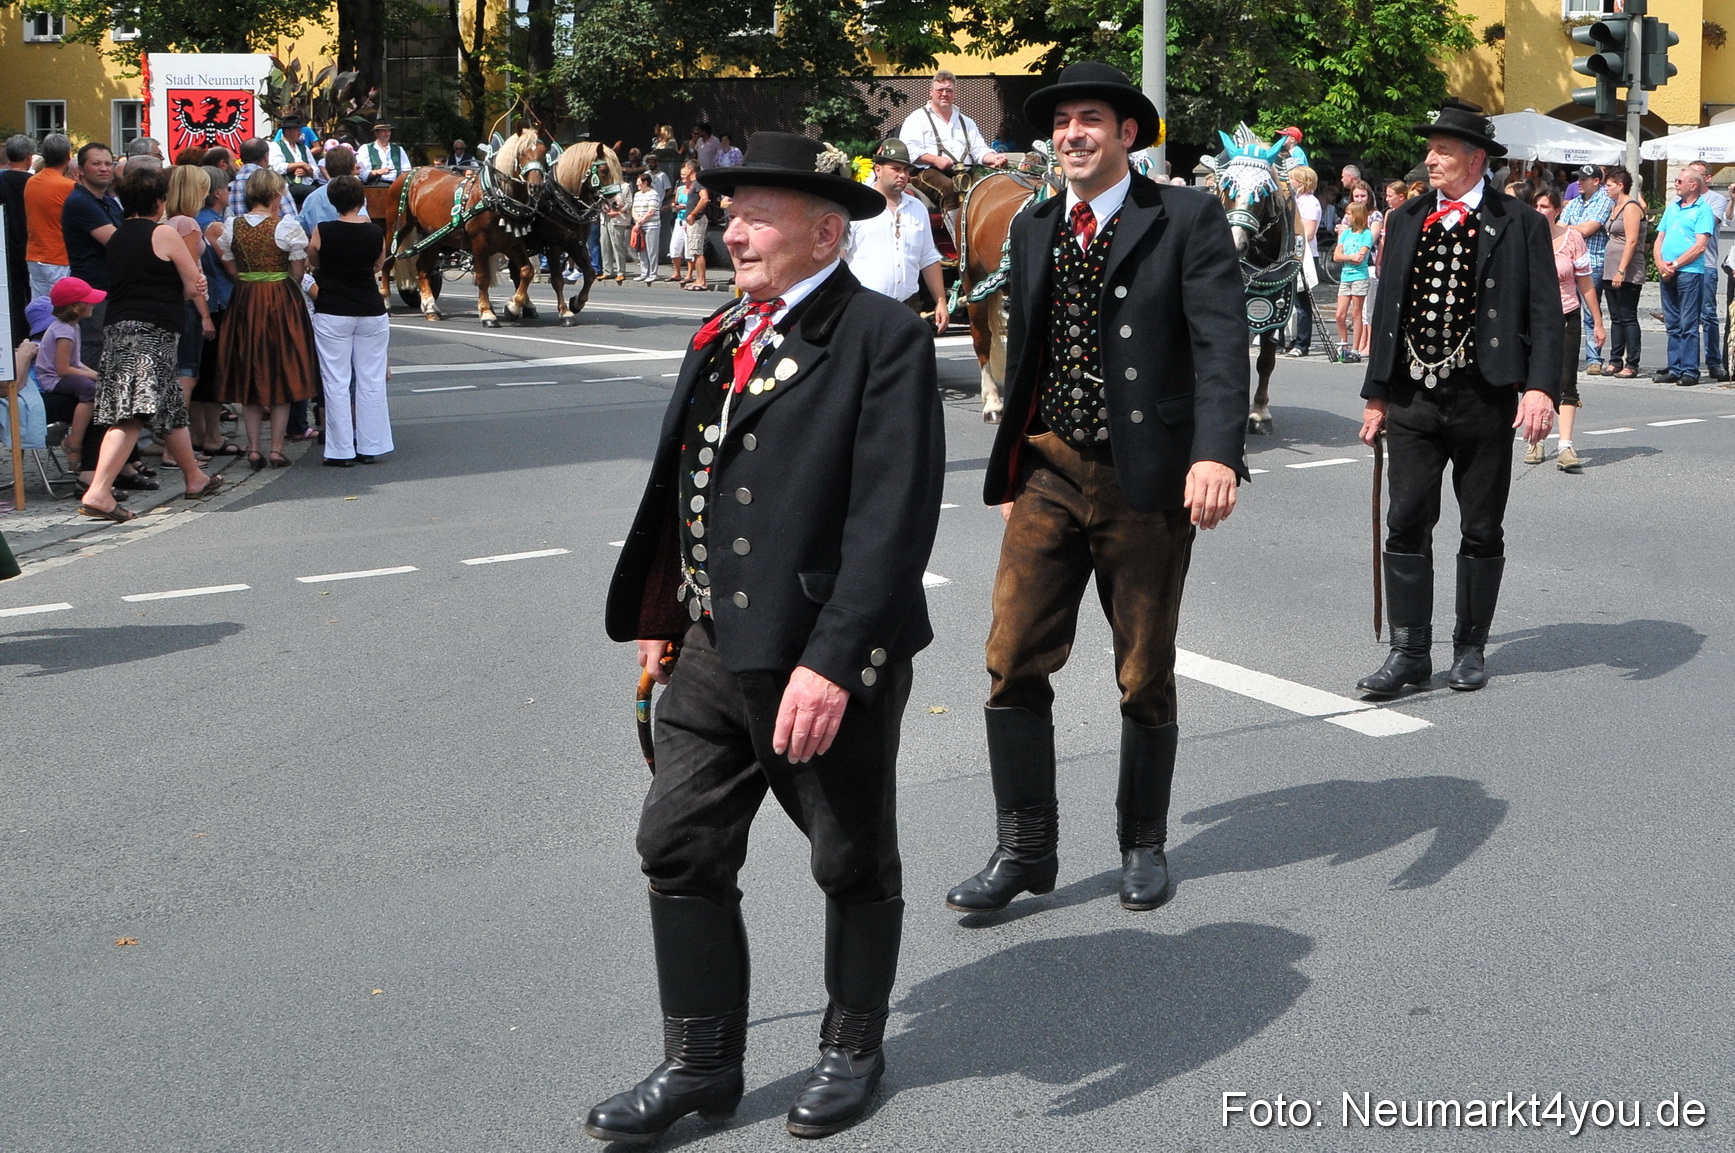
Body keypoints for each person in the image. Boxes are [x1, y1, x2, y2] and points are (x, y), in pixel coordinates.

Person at [590, 131, 943, 1144]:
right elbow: (686, 487)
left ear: (824, 230)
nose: (729, 229)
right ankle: (700, 1068)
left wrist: (832, 663)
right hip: (707, 642)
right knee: (676, 840)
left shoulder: (882, 337)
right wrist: (664, 615)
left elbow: (891, 518)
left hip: (816, 648)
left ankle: (850, 1047)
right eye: (729, 212)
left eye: (753, 215)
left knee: (849, 852)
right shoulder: (718, 333)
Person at [945, 62, 1248, 918]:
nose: (1072, 133)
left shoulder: (1184, 216)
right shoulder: (1036, 224)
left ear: (1126, 135)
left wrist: (1215, 452)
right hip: (1046, 469)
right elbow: (1026, 347)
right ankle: (1023, 849)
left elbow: (1221, 342)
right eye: (1063, 122)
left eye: (1090, 120)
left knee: (1143, 667)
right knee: (1009, 658)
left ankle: (1141, 843)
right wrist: (1012, 463)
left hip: (1143, 479)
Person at [1354, 99, 1560, 697]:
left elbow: (1546, 316)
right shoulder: (1408, 216)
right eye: (1430, 147)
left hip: (1483, 398)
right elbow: (1387, 311)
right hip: (1414, 399)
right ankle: (1409, 653)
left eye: (1443, 149)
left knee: (1481, 526)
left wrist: (1542, 388)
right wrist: (1376, 397)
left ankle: (1470, 647)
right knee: (1406, 519)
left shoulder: (1518, 221)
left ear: (1476, 159)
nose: (1430, 158)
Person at [73, 164, 226, 523]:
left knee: (168, 406)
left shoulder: (118, 236)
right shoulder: (164, 234)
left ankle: (194, 477)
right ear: (160, 202)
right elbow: (192, 286)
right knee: (133, 413)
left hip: (119, 327)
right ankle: (99, 491)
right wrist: (196, 283)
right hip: (152, 331)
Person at [215, 168, 320, 468]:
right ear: (275, 194)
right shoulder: (286, 227)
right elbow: (298, 273)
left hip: (245, 300)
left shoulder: (232, 225)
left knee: (250, 373)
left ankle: (251, 447)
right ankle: (275, 448)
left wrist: (251, 280)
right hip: (279, 301)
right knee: (281, 371)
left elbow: (231, 269)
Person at [307, 175, 392, 467]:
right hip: (370, 309)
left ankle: (340, 449)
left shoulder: (323, 230)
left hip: (333, 309)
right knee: (371, 380)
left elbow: (313, 260)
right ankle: (371, 445)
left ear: (333, 201)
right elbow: (378, 265)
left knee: (336, 381)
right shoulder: (375, 232)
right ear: (361, 199)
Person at [1526, 187, 1604, 473]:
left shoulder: (1573, 239)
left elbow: (1585, 282)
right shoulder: (1524, 238)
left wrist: (1597, 320)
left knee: (1565, 379)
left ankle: (1565, 446)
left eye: (1546, 206)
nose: (1540, 211)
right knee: (1532, 379)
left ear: (1558, 210)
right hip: (1532, 318)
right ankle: (1535, 439)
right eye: (1536, 206)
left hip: (1566, 315)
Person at [843, 138, 947, 331]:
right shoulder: (858, 206)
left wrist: (940, 301)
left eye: (905, 170)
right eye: (895, 168)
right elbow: (838, 257)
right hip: (863, 305)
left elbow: (928, 258)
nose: (902, 175)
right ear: (878, 170)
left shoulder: (917, 207)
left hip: (907, 306)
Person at [164, 165, 220, 463]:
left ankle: (176, 447)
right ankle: (175, 451)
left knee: (182, 375)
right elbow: (192, 273)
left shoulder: (170, 221)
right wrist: (205, 315)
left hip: (176, 302)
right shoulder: (188, 224)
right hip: (188, 304)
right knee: (186, 376)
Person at [61, 143, 123, 378]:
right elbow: (116, 241)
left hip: (109, 289)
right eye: (96, 163)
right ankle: (95, 414)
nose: (104, 168)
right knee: (96, 354)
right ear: (80, 170)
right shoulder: (81, 202)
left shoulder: (106, 200)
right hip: (92, 291)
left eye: (108, 163)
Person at [1652, 167, 1716, 387]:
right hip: (1667, 271)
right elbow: (1659, 238)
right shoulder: (1672, 209)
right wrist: (1660, 262)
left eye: (1680, 180)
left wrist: (1676, 264)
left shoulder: (1703, 210)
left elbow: (1700, 246)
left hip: (1689, 273)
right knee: (1672, 322)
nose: (1676, 183)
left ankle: (1689, 370)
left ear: (1694, 185)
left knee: (1688, 323)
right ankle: (1675, 367)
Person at [34, 276, 103, 476]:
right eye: (88, 300)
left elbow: (76, 362)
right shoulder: (63, 331)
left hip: (62, 376)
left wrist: (95, 374)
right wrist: (91, 377)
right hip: (53, 380)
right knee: (90, 392)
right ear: (76, 306)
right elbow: (63, 369)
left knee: (97, 386)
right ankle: (75, 443)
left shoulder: (73, 327)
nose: (93, 304)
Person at [190, 165, 237, 456]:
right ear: (217, 192)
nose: (230, 193)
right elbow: (231, 267)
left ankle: (199, 434)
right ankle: (212, 435)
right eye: (228, 188)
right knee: (213, 373)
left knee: (201, 371)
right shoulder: (213, 225)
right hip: (217, 303)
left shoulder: (196, 219)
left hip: (205, 304)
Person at [1558, 165, 1613, 375]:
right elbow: (1560, 226)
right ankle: (1567, 353)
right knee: (1568, 310)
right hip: (1570, 263)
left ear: (1596, 181)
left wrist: (1568, 228)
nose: (1579, 182)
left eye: (1584, 179)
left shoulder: (1604, 201)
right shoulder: (1574, 203)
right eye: (1578, 178)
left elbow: (1587, 229)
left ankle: (1594, 358)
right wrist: (1570, 228)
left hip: (1593, 261)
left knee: (1591, 311)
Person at [1599, 167, 1646, 379]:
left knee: (1628, 316)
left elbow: (1632, 240)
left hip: (1627, 269)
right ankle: (1615, 359)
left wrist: (1621, 270)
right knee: (1616, 317)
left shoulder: (1630, 207)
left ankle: (1632, 362)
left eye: (1608, 185)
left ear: (1620, 185)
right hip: (1610, 267)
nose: (1605, 188)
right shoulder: (1614, 206)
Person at [1684, 161, 1728, 382]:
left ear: (1706, 179)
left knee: (1708, 315)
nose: (1689, 178)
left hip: (1706, 264)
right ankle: (1683, 363)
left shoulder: (1716, 200)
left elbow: (1706, 224)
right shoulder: (1677, 200)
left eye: (1695, 174)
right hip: (1681, 266)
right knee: (1683, 318)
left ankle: (1714, 362)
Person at [23, 133, 74, 301]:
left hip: (34, 253)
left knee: (40, 307)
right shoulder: (68, 187)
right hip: (58, 255)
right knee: (61, 308)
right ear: (68, 155)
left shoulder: (31, 182)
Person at [1285, 164, 1321, 357]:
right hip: (1292, 254)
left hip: (1305, 256)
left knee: (1302, 303)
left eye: (1294, 179)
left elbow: (1308, 232)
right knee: (1290, 301)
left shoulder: (1310, 202)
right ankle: (1291, 339)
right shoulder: (1296, 201)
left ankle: (1302, 343)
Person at [1332, 199, 1374, 362]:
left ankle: (1355, 349)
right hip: (1346, 276)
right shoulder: (1347, 233)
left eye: (1349, 213)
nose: (1346, 216)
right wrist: (1349, 256)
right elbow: (1336, 256)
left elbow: (1361, 258)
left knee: (1356, 313)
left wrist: (1346, 257)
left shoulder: (1366, 234)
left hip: (1359, 277)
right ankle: (1343, 345)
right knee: (1339, 315)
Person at [1, 134, 34, 340]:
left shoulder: (2, 180)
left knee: (11, 295)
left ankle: (13, 336)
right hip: (32, 244)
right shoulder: (34, 183)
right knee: (33, 295)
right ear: (29, 158)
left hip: (5, 244)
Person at [298, 145, 368, 231]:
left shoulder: (312, 198)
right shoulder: (356, 193)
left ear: (326, 168)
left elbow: (301, 228)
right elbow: (364, 222)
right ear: (352, 167)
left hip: (320, 242)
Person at [269, 116, 322, 206]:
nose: (300, 133)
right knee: (315, 192)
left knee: (326, 190)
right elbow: (277, 167)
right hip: (290, 185)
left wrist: (307, 171)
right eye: (297, 130)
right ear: (288, 131)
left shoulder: (304, 147)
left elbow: (315, 169)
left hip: (309, 183)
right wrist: (301, 164)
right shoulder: (275, 146)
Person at [668, 160, 698, 286]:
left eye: (685, 177)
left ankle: (690, 274)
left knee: (689, 250)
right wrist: (674, 205)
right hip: (679, 220)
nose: (683, 179)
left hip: (689, 220)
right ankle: (677, 272)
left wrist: (685, 207)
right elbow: (674, 202)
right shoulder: (680, 189)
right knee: (674, 247)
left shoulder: (694, 188)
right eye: (681, 177)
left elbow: (693, 205)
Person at [630, 172, 662, 283]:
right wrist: (637, 221)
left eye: (639, 183)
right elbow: (633, 209)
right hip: (640, 225)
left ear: (645, 182)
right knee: (641, 249)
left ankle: (653, 273)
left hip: (651, 225)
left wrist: (640, 221)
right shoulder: (637, 194)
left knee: (651, 249)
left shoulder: (654, 194)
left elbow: (651, 211)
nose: (637, 185)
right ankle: (644, 273)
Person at [599, 180, 631, 284]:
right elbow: (600, 200)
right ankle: (607, 271)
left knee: (617, 245)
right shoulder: (604, 185)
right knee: (605, 244)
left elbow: (629, 203)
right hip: (605, 217)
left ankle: (621, 271)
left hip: (618, 219)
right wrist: (604, 207)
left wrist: (618, 211)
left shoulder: (625, 186)